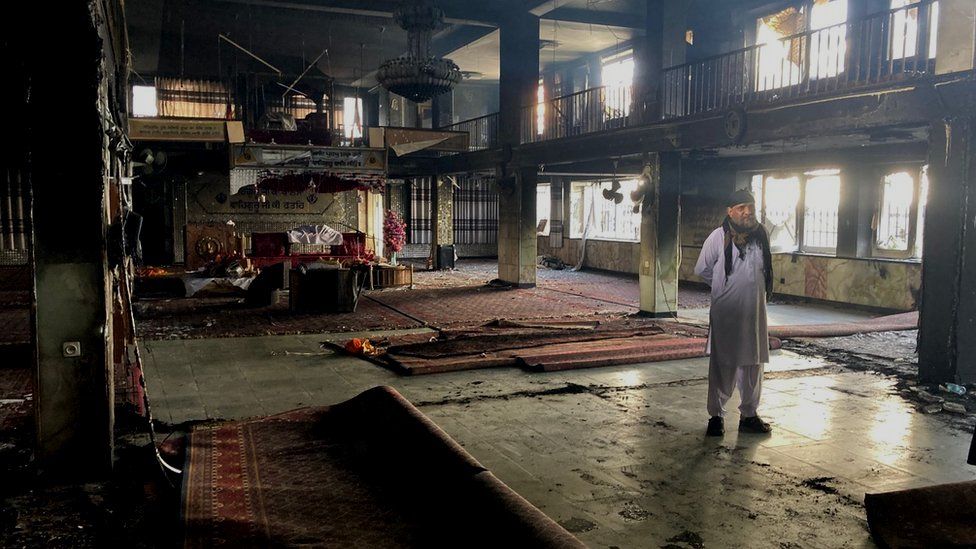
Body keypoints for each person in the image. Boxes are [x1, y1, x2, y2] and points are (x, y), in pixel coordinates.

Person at [694, 189, 774, 436]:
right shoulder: (718, 237)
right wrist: (724, 288)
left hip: (754, 313)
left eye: (750, 206)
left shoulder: (762, 235)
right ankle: (716, 417)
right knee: (723, 365)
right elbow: (703, 269)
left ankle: (749, 416)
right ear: (730, 211)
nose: (747, 212)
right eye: (741, 207)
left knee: (753, 364)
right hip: (727, 313)